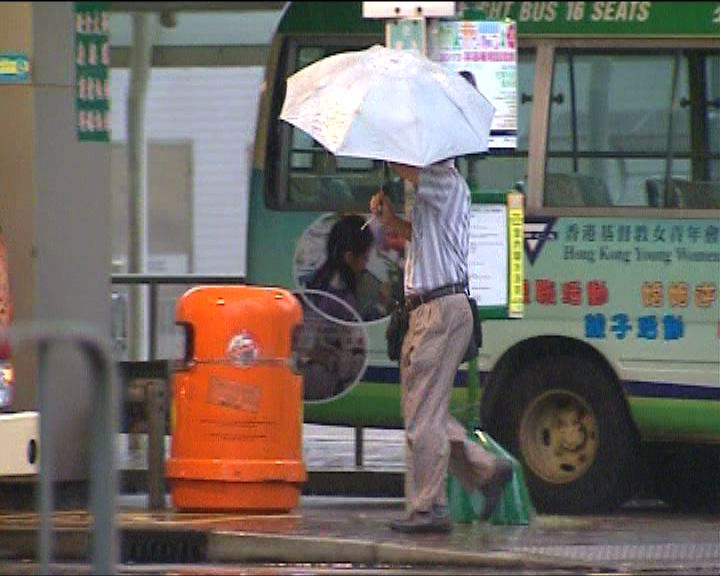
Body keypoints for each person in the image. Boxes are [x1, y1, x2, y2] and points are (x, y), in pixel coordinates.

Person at [370, 161, 513, 534]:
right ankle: (485, 470)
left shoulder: (441, 178)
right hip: (438, 309)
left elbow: (405, 168)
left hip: (437, 311)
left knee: (422, 415)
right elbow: (421, 235)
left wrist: (387, 147)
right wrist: (391, 221)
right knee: (424, 409)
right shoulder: (442, 187)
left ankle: (428, 508)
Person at [299, 214, 387, 401]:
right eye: (364, 258)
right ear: (349, 257)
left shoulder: (319, 279)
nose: (365, 265)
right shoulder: (339, 296)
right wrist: (380, 306)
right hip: (322, 375)